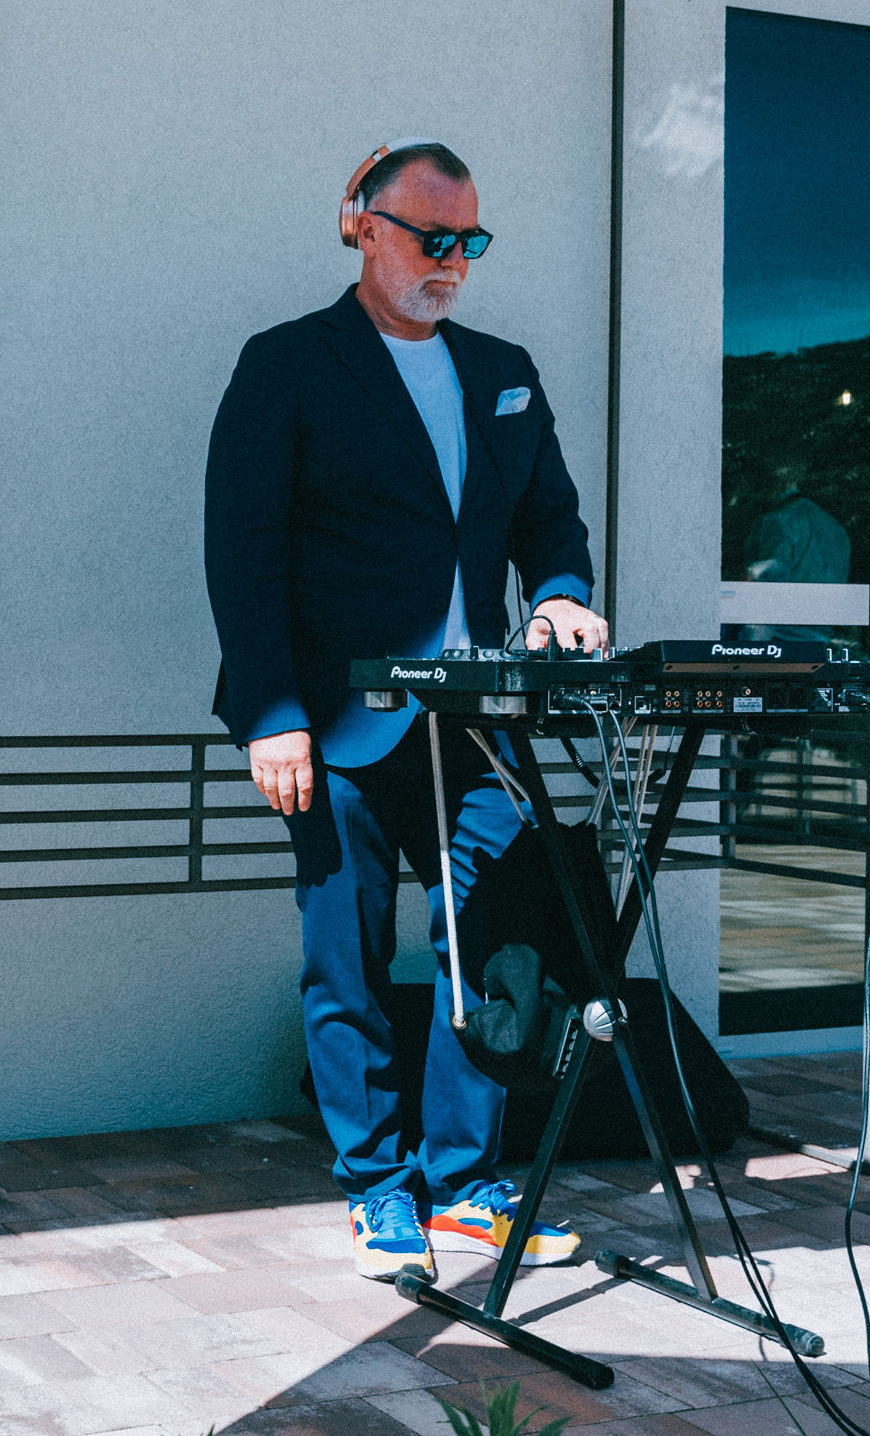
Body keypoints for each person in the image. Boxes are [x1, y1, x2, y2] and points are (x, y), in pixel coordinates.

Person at [204, 140, 608, 1282]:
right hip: (333, 722)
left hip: (475, 722)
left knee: (499, 943)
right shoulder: (287, 364)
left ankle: (467, 1183)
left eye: (470, 241)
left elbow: (551, 522)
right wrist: (272, 713)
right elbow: (244, 551)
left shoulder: (504, 368)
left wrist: (563, 600)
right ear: (360, 225)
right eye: (432, 238)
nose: (453, 264)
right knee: (348, 956)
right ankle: (378, 1188)